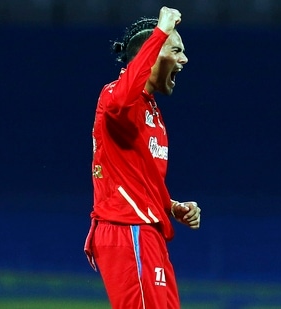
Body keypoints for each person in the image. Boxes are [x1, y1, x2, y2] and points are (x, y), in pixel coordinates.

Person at [83, 6, 201, 309]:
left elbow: (141, 173)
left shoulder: (152, 113)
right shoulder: (115, 96)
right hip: (126, 227)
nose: (184, 59)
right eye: (176, 50)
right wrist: (161, 30)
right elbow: (122, 99)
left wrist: (171, 205)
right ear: (151, 54)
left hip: (148, 230)